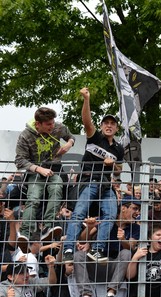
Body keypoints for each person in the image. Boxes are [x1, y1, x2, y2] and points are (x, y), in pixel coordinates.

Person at [62, 87, 124, 264]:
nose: (109, 126)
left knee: (111, 215)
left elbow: (119, 170)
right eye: (106, 123)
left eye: (112, 123)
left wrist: (113, 165)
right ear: (102, 125)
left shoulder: (119, 148)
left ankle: (97, 249)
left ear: (116, 127)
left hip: (106, 185)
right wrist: (86, 99)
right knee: (79, 213)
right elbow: (86, 121)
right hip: (89, 181)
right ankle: (68, 247)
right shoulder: (95, 136)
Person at [15, 107, 75, 251]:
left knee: (56, 189)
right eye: (48, 124)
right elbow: (19, 160)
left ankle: (49, 226)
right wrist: (38, 168)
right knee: (34, 198)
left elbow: (70, 136)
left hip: (54, 170)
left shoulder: (58, 127)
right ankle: (25, 233)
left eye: (53, 123)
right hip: (35, 172)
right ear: (38, 124)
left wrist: (69, 144)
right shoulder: (25, 136)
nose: (52, 126)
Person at [73, 196, 141, 297]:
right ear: (123, 208)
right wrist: (89, 228)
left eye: (138, 210)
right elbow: (83, 239)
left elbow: (131, 247)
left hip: (114, 268)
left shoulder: (135, 228)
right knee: (78, 255)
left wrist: (123, 239)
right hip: (96, 264)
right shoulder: (106, 220)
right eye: (135, 208)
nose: (137, 212)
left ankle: (110, 296)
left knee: (126, 253)